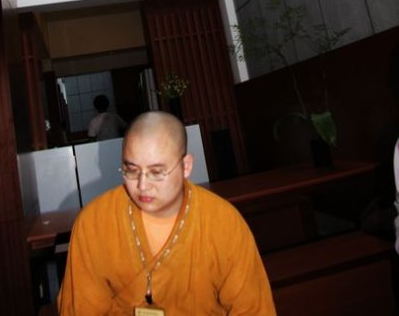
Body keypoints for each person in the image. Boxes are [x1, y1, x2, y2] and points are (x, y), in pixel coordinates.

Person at [58, 111, 276, 315]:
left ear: (186, 166)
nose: (142, 185)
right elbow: (80, 308)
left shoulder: (223, 222)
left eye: (156, 172)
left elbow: (252, 308)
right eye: (131, 170)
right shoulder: (94, 222)